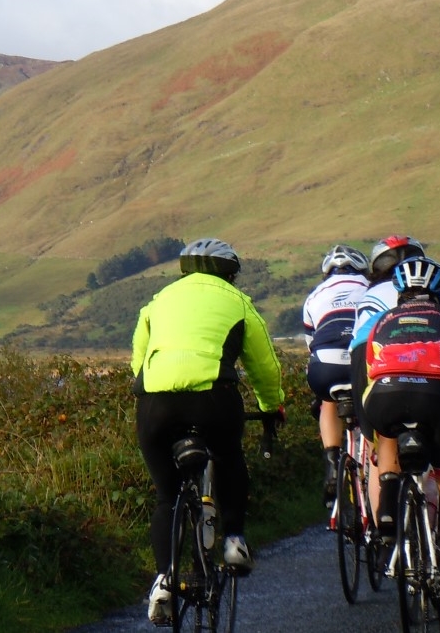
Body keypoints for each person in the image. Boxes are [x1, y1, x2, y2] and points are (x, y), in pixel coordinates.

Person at [131, 237, 287, 625]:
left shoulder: (158, 300)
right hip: (214, 400)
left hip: (155, 403)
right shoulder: (238, 302)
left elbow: (139, 359)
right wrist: (270, 407)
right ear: (230, 274)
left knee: (167, 496)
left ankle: (163, 580)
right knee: (229, 457)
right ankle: (233, 539)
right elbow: (264, 366)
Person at [362, 256, 440, 631]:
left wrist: (374, 442)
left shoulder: (380, 323)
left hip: (384, 399)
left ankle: (387, 503)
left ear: (399, 293)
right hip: (438, 401)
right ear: (439, 293)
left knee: (386, 431)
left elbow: (370, 376)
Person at [348, 235, 428, 528]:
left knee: (379, 448)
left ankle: (383, 530)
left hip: (366, 354)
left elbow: (355, 343)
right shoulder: (431, 290)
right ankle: (433, 535)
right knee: (432, 441)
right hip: (421, 352)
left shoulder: (369, 294)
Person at [301, 244, 370, 507]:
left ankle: (331, 464)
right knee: (375, 402)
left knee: (327, 399)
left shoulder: (313, 296)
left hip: (326, 363)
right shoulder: (371, 288)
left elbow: (311, 344)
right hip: (362, 358)